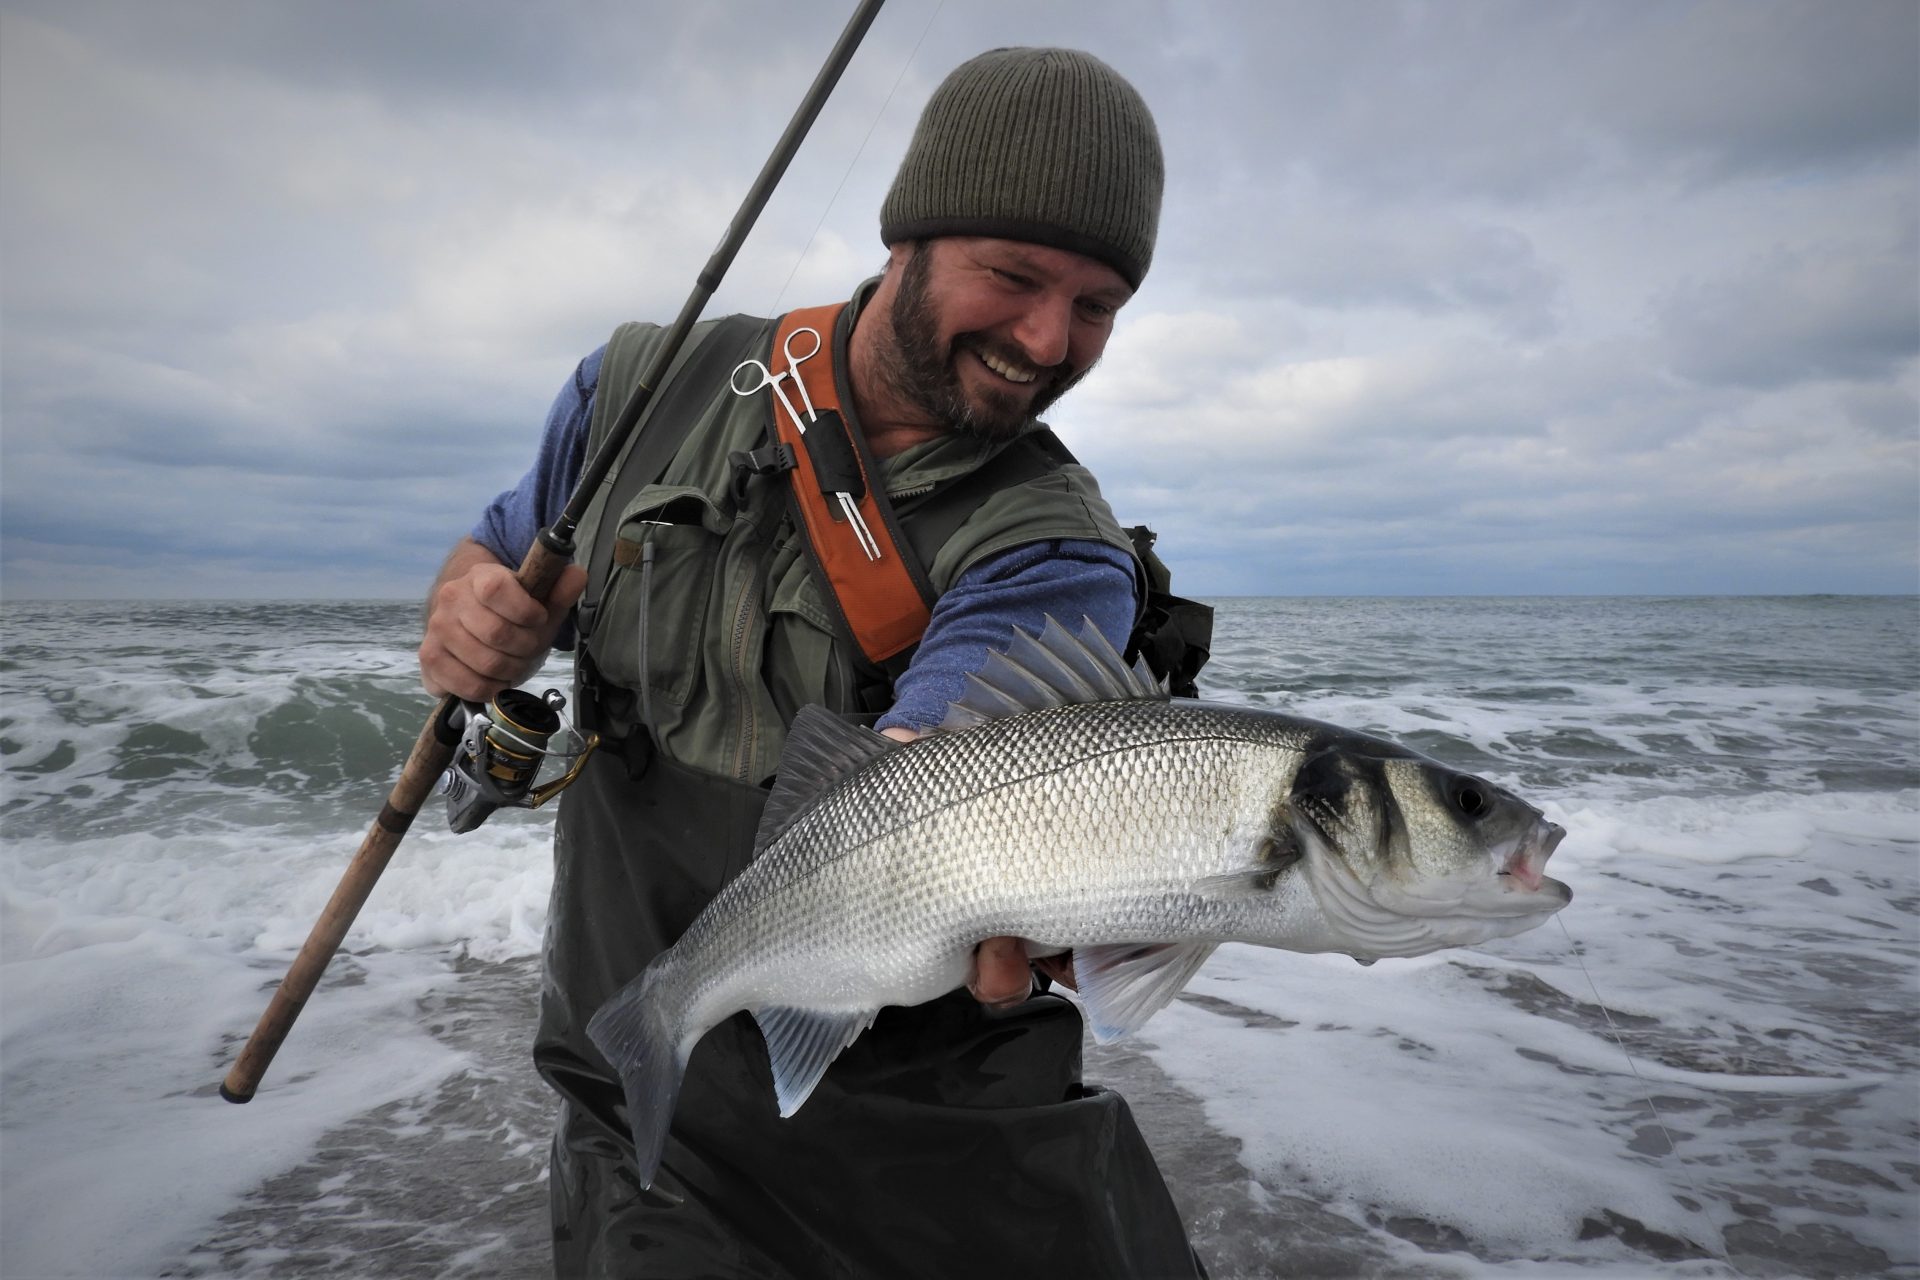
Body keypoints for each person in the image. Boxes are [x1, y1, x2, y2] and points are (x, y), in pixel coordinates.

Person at [419, 46, 1205, 1279]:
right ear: (910, 239)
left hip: (936, 1117)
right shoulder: (639, 386)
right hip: (644, 1076)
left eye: (1098, 305)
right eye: (1014, 275)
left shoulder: (1054, 545)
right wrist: (467, 612)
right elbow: (502, 552)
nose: (1048, 337)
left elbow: (931, 772)